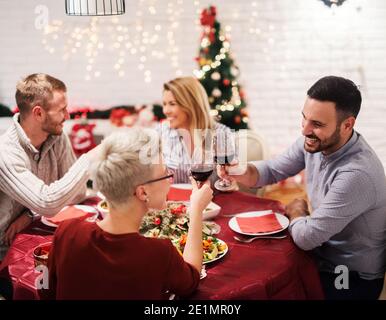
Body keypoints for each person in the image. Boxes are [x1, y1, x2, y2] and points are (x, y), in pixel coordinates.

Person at [219, 76, 386, 300]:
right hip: (320, 256)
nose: (305, 130)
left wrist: (297, 212)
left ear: (347, 124)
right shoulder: (316, 142)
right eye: (304, 119)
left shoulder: (356, 174)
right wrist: (240, 170)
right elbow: (272, 170)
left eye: (317, 124)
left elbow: (307, 237)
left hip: (348, 275)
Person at [39, 128, 213, 299]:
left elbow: (46, 290)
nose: (170, 179)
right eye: (165, 174)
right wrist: (196, 209)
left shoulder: (68, 232)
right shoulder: (159, 254)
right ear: (143, 192)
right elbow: (191, 280)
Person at [0, 73, 99, 259]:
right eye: (62, 110)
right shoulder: (5, 152)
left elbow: (76, 194)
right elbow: (47, 202)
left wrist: (30, 212)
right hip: (8, 253)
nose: (68, 116)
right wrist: (90, 158)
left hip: (42, 236)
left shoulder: (57, 136)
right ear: (38, 113)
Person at [158, 76, 235, 185]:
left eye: (172, 104)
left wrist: (230, 181)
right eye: (164, 104)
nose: (165, 111)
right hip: (176, 201)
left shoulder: (221, 133)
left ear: (191, 104)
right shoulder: (161, 132)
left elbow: (232, 181)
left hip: (214, 200)